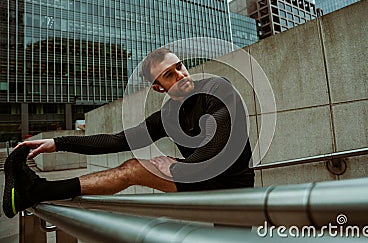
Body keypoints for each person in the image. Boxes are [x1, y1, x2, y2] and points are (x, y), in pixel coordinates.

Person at [3, 48, 254, 218]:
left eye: (180, 67)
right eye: (169, 74)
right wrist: (58, 143)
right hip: (199, 181)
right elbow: (117, 140)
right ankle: (35, 191)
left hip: (232, 185)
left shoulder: (217, 88)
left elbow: (217, 143)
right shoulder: (169, 115)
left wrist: (176, 168)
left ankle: (34, 191)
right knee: (131, 168)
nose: (181, 75)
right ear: (158, 87)